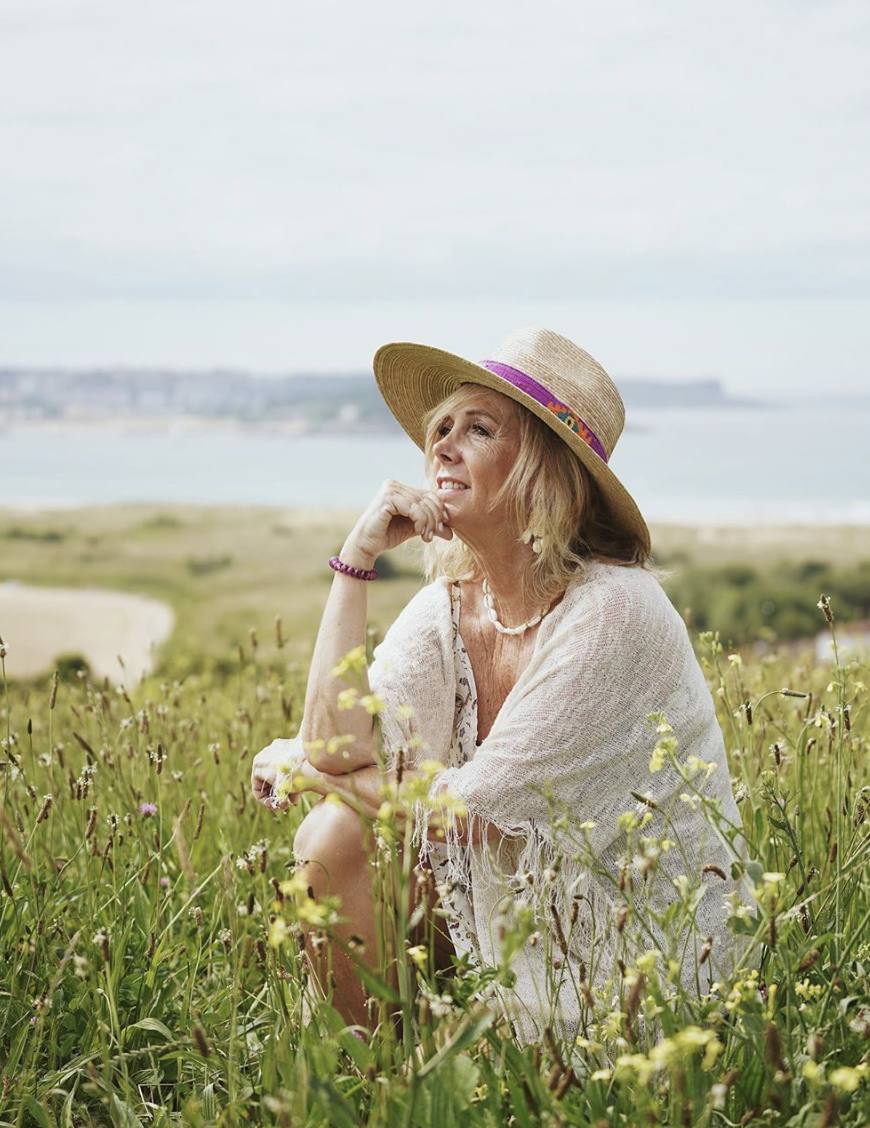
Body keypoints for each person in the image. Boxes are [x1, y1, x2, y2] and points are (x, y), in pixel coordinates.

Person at [251, 326, 756, 1045]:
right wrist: (356, 561)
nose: (442, 447)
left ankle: (480, 1061)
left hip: (638, 971)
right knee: (333, 835)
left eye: (478, 429)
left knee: (335, 810)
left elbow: (463, 815)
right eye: (441, 428)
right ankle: (376, 1083)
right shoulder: (455, 604)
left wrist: (300, 768)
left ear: (543, 471)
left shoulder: (615, 613)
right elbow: (338, 749)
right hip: (511, 926)